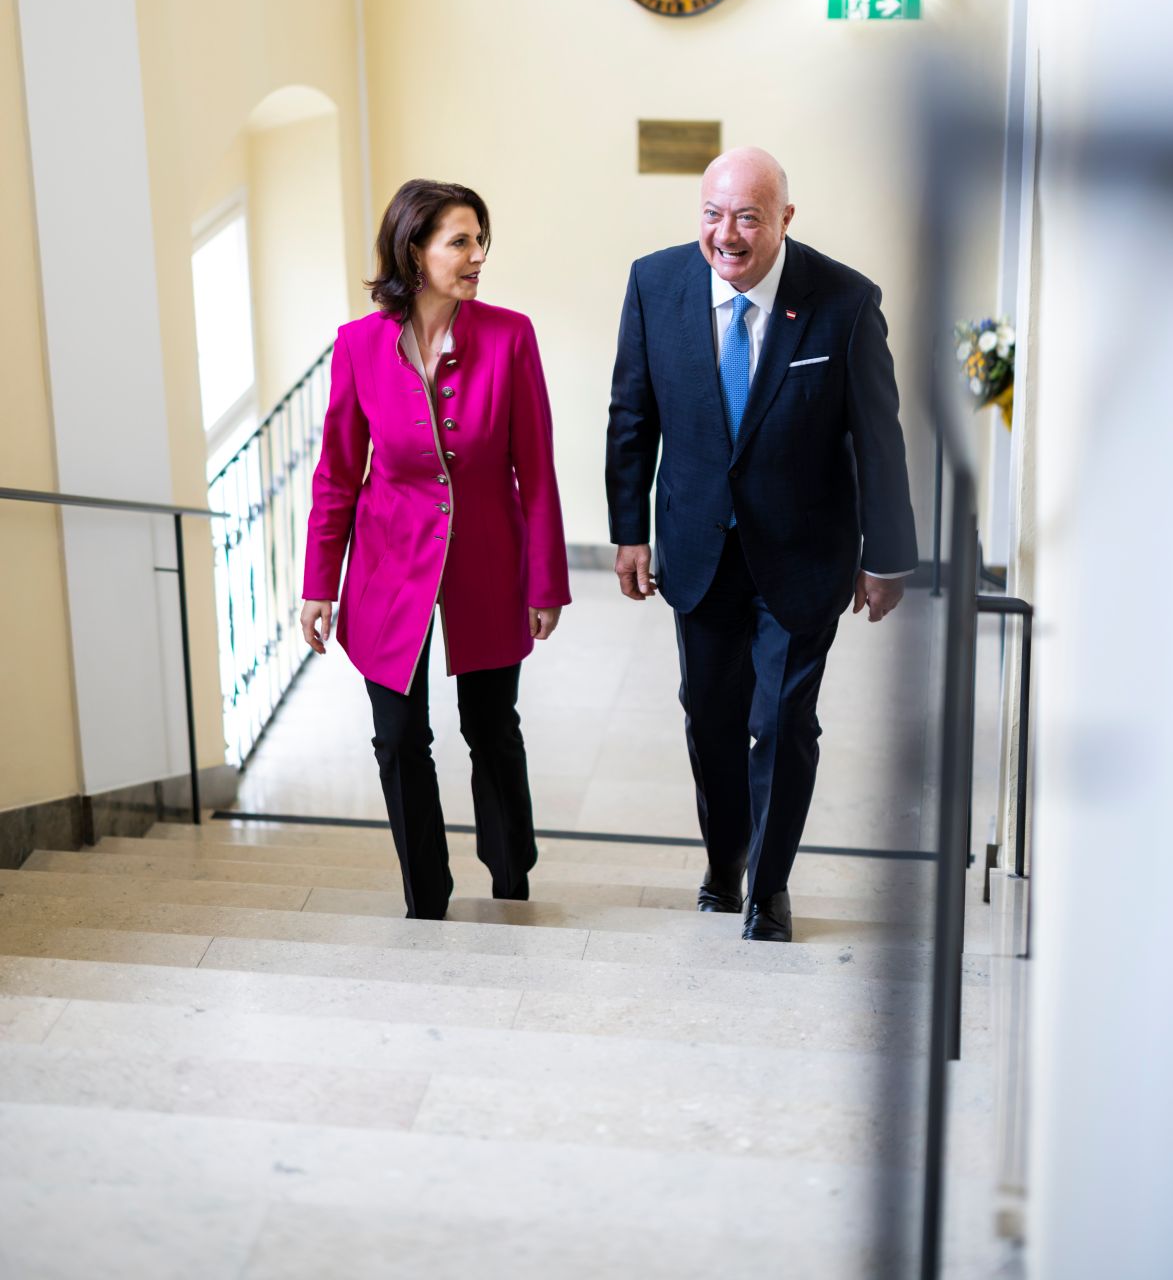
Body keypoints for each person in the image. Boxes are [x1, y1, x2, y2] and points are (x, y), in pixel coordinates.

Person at [605, 148, 917, 941]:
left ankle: (768, 887)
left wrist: (885, 555)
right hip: (697, 549)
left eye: (747, 217)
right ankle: (724, 861)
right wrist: (628, 532)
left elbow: (878, 438)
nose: (727, 234)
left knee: (781, 723)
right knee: (709, 720)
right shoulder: (653, 284)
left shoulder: (844, 301)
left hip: (804, 553)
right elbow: (632, 417)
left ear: (784, 218)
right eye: (713, 214)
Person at [300, 179, 570, 920]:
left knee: (491, 728)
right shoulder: (358, 345)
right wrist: (319, 583)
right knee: (397, 740)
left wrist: (545, 581)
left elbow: (536, 468)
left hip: (488, 558)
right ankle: (425, 897)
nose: (477, 255)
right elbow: (337, 473)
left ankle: (510, 878)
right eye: (460, 241)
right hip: (387, 566)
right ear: (414, 250)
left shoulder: (510, 336)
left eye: (481, 240)